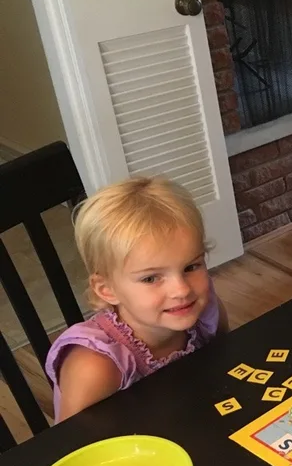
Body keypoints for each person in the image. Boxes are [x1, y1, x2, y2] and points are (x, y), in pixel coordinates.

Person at [45, 177, 228, 422]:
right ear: (107, 289)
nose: (181, 290)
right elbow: (75, 448)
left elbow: (226, 362)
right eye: (151, 278)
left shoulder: (203, 311)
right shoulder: (95, 366)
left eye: (191, 266)